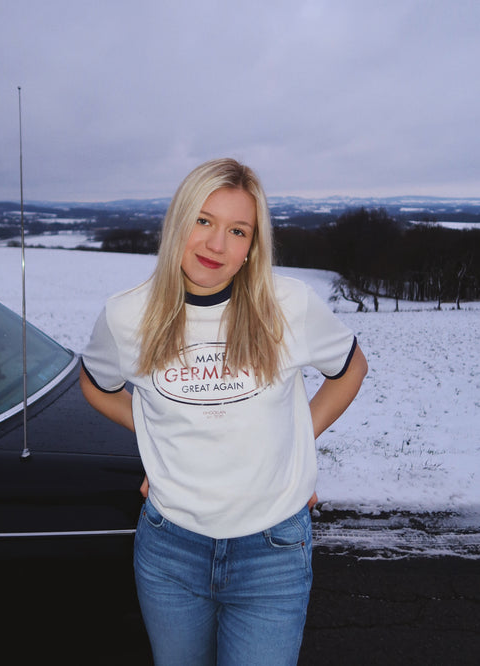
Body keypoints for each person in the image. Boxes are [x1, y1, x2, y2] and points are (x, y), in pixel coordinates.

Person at [80, 158, 368, 666]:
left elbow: (351, 369)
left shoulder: (288, 305)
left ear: (252, 246)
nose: (217, 245)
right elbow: (97, 386)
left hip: (273, 552)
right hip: (170, 550)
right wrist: (156, 440)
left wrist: (297, 443)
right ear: (178, 222)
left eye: (238, 231)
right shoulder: (126, 316)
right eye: (204, 220)